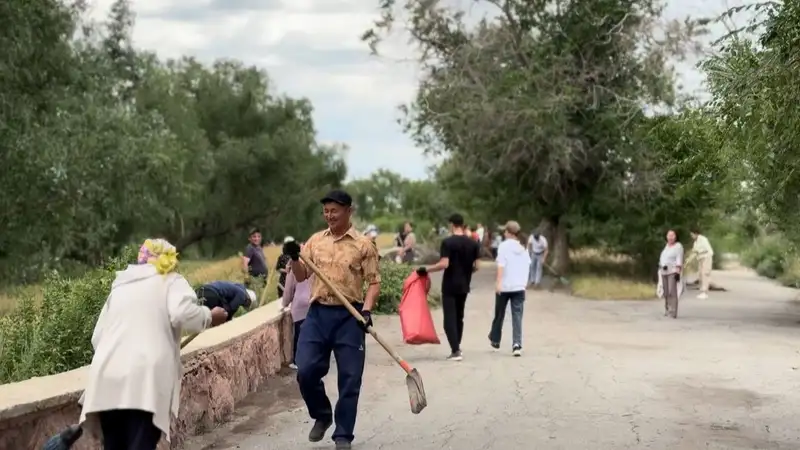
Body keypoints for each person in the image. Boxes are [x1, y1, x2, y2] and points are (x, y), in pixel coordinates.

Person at [79, 238, 228, 450]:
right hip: (143, 383)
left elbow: (98, 337)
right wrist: (210, 316)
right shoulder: (171, 281)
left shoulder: (121, 287)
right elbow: (182, 313)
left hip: (107, 381)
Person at [284, 189, 381, 450]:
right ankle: (322, 415)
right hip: (317, 315)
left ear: (349, 211)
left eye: (334, 211)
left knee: (350, 377)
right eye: (326, 211)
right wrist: (294, 257)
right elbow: (302, 275)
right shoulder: (315, 241)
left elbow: (373, 282)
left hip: (350, 315)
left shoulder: (363, 245)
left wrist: (367, 311)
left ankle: (343, 435)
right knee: (305, 371)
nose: (329, 215)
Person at [415, 213, 480, 361]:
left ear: (451, 225)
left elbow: (444, 264)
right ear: (462, 225)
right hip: (464, 284)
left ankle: (455, 350)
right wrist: (466, 271)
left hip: (450, 284)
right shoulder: (473, 243)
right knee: (459, 317)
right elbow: (477, 266)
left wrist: (426, 270)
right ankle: (457, 347)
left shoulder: (448, 243)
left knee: (449, 319)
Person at [488, 221, 531, 357]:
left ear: (508, 232)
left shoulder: (504, 246)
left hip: (506, 286)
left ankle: (495, 339)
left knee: (499, 313)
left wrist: (498, 283)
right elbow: (527, 265)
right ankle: (517, 344)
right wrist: (524, 282)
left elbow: (501, 265)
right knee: (517, 316)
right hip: (519, 287)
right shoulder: (523, 246)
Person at [282, 257, 314, 370]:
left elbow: (288, 291)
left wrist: (284, 304)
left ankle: (297, 361)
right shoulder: (315, 265)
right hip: (314, 303)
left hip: (300, 306)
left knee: (299, 336)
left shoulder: (294, 269)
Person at [658, 229, 685, 319]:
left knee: (671, 291)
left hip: (672, 271)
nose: (670, 237)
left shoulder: (678, 246)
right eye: (669, 235)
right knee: (665, 292)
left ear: (676, 236)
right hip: (664, 271)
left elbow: (679, 258)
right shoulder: (666, 246)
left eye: (672, 235)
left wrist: (678, 270)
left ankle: (673, 311)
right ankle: (667, 309)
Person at [690, 228, 714, 299]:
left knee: (705, 273)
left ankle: (704, 292)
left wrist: (698, 252)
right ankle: (702, 290)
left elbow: (707, 250)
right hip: (700, 259)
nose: (692, 236)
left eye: (692, 235)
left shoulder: (703, 239)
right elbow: (694, 252)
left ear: (696, 233)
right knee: (700, 273)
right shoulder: (695, 242)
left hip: (706, 257)